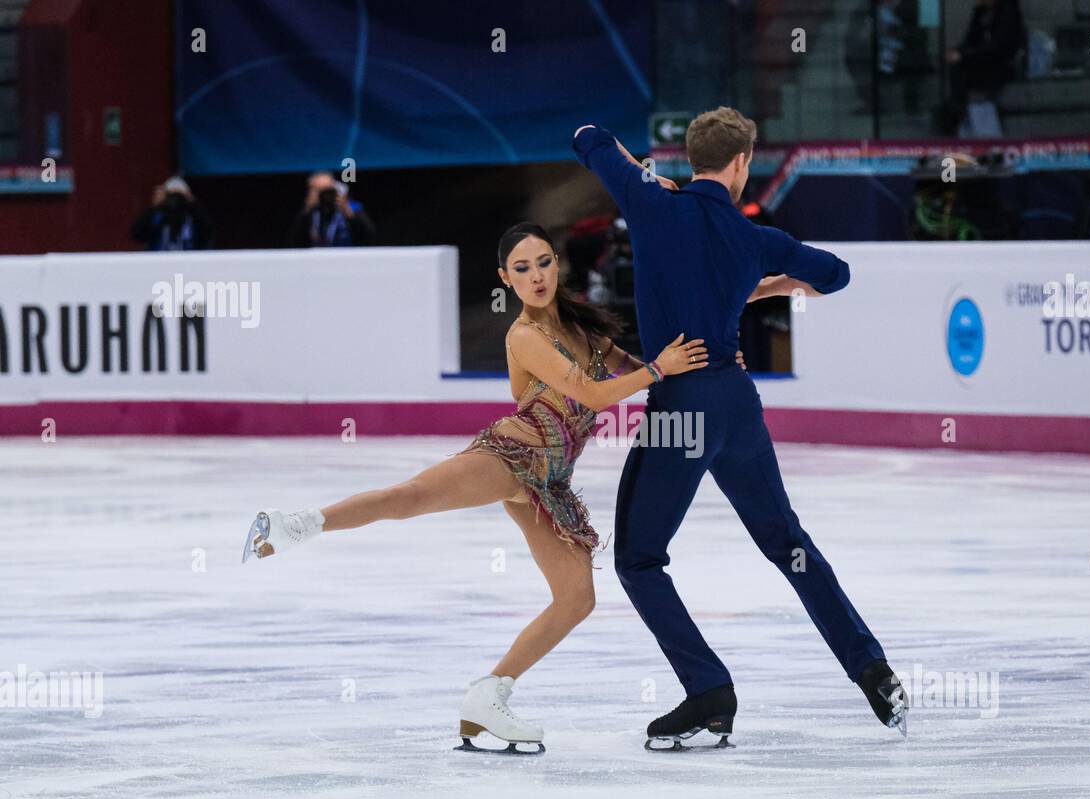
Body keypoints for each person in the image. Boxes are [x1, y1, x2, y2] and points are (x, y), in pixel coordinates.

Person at [240, 221, 744, 755]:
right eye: (522, 269)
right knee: (411, 497)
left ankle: (488, 697)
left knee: (576, 598)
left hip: (549, 483)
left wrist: (710, 365)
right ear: (505, 278)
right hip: (512, 455)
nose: (536, 276)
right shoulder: (524, 335)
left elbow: (643, 369)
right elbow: (595, 395)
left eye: (544, 262)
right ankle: (298, 523)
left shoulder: (585, 329)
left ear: (557, 264)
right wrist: (660, 370)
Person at [573, 108, 910, 751]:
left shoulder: (650, 202)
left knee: (639, 558)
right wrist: (764, 286)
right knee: (788, 543)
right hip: (737, 406)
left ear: (691, 158)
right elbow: (835, 274)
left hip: (680, 411)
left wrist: (648, 178)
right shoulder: (752, 235)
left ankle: (709, 690)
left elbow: (587, 137)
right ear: (741, 165)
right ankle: (873, 671)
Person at [941, 0, 1026, 137]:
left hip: (1000, 62)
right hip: (979, 59)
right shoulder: (980, 12)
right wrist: (957, 51)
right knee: (958, 69)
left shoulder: (1008, 12)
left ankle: (958, 114)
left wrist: (964, 54)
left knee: (965, 71)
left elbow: (999, 45)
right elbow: (970, 39)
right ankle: (956, 114)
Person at [288, 170, 376, 247]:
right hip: (316, 261)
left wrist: (349, 213)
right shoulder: (309, 213)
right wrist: (306, 211)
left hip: (347, 260)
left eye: (328, 191)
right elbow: (294, 241)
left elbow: (370, 236)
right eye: (320, 192)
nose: (325, 196)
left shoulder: (352, 209)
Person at [129, 177, 214, 251]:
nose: (175, 200)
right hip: (159, 264)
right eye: (171, 196)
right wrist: (154, 207)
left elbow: (207, 234)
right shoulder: (156, 216)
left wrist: (193, 203)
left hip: (188, 265)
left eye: (178, 196)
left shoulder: (193, 217)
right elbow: (137, 235)